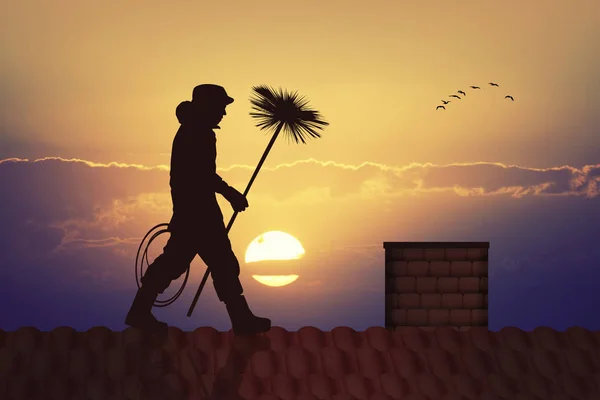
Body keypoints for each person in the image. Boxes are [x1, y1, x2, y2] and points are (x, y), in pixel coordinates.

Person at [125, 84, 271, 336]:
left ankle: (241, 318)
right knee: (201, 262)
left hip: (194, 212)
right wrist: (229, 193)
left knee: (203, 262)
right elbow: (201, 174)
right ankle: (241, 319)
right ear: (209, 106)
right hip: (197, 214)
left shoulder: (194, 130)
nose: (224, 113)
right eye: (221, 107)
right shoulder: (197, 132)